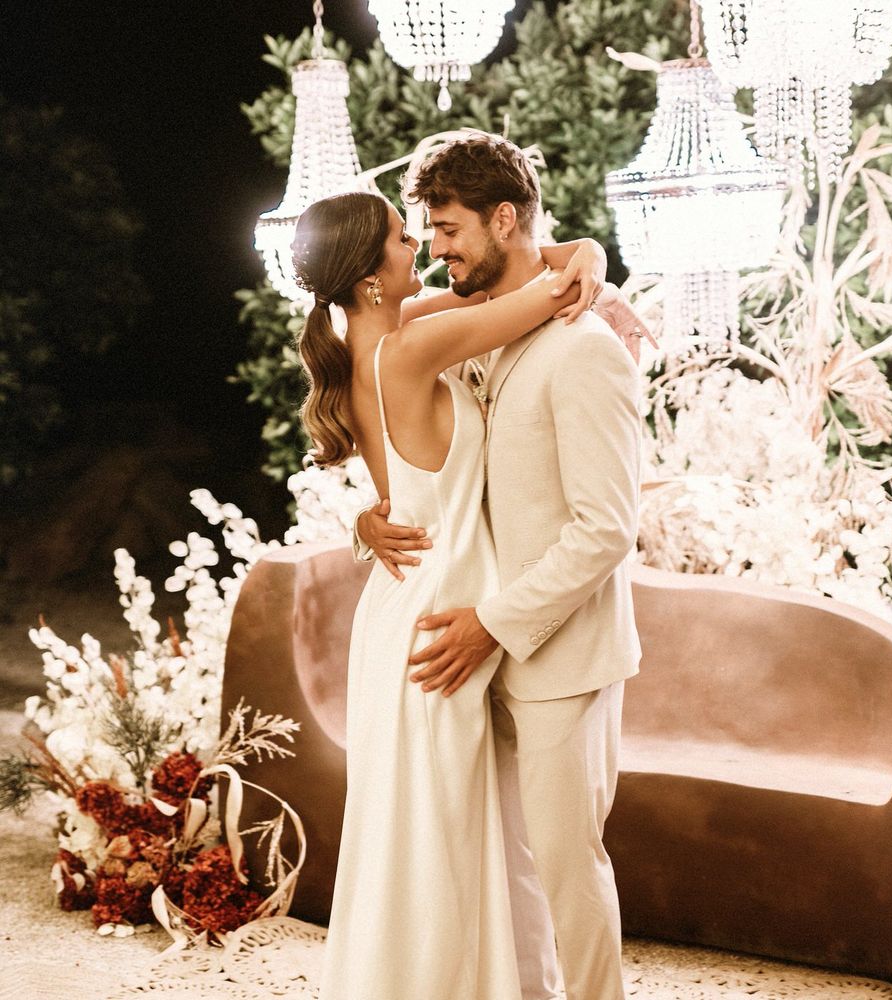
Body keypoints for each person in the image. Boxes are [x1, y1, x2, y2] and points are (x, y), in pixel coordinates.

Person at [290, 188, 609, 1000]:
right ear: (368, 279)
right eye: (404, 240)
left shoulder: (390, 337)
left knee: (441, 839)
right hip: (436, 622)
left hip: (412, 609)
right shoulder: (410, 348)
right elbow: (549, 287)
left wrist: (593, 258)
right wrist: (590, 265)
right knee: (437, 846)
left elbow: (563, 261)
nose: (423, 251)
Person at [356, 134, 643, 1000]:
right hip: (472, 655)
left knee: (566, 869)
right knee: (503, 874)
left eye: (446, 230)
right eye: (428, 234)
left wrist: (494, 623)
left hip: (555, 658)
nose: (436, 249)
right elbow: (434, 471)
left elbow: (605, 530)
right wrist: (373, 518)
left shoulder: (587, 346)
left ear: (505, 218)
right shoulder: (467, 322)